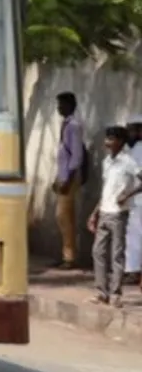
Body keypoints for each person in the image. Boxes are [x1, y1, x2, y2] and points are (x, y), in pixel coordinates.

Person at [88, 126, 142, 307]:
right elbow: (106, 190)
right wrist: (94, 213)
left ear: (120, 141)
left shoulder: (128, 162)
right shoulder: (107, 162)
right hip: (104, 211)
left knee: (117, 254)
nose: (107, 143)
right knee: (98, 252)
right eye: (107, 139)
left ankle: (116, 294)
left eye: (111, 139)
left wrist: (126, 195)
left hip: (119, 214)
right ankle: (101, 292)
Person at [53, 91, 86, 269]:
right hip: (63, 175)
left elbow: (76, 156)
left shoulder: (74, 125)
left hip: (70, 177)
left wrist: (68, 180)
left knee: (63, 216)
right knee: (66, 217)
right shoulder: (65, 124)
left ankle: (69, 256)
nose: (59, 108)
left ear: (71, 105)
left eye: (62, 105)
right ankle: (67, 254)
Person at [125, 115, 142, 286]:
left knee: (135, 236)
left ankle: (133, 271)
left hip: (138, 199)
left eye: (132, 130)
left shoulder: (138, 149)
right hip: (136, 200)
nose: (128, 133)